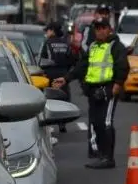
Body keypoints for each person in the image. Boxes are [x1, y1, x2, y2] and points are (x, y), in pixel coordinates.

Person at [52, 16, 129, 168]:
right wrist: (66, 79)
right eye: (97, 28)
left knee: (106, 123)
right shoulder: (93, 46)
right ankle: (100, 155)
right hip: (93, 90)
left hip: (108, 88)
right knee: (96, 123)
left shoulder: (116, 46)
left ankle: (108, 158)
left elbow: (123, 66)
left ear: (109, 29)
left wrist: (118, 84)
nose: (100, 31)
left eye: (103, 28)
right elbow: (82, 66)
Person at [40, 21, 76, 133]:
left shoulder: (47, 43)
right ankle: (62, 123)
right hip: (63, 73)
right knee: (63, 98)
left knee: (49, 98)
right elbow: (72, 59)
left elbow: (41, 60)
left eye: (48, 30)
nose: (46, 33)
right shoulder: (65, 43)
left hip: (50, 73)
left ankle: (50, 124)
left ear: (52, 31)